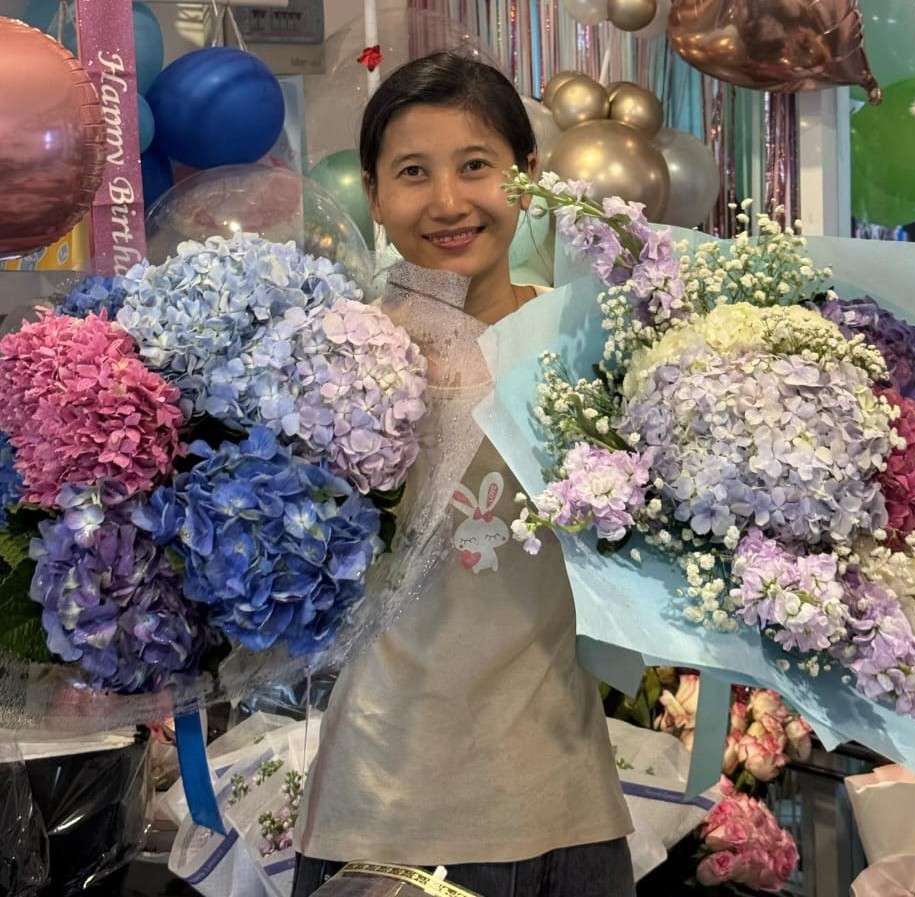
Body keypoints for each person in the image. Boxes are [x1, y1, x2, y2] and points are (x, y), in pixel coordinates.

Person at [292, 51, 634, 897]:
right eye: (413, 173)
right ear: (373, 193)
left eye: (475, 165)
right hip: (382, 812)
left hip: (568, 803)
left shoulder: (591, 350)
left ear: (528, 175)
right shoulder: (330, 362)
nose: (448, 202)